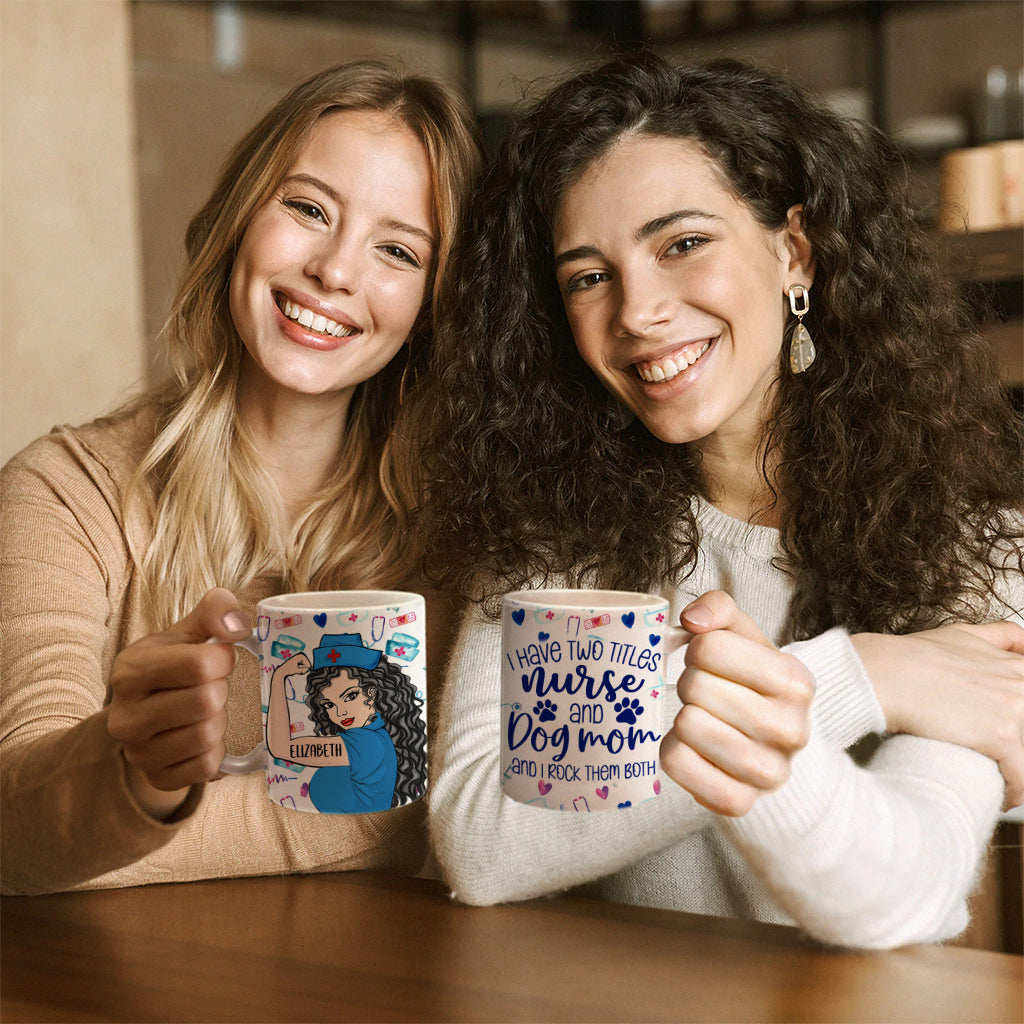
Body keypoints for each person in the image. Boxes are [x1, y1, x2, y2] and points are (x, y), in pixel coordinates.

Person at [417, 53, 1024, 949]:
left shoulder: (976, 545)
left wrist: (771, 698)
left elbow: (901, 891)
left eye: (682, 244)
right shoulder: (554, 539)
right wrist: (859, 677)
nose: (637, 311)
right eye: (588, 276)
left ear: (794, 253)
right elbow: (481, 844)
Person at [0, 59, 481, 894]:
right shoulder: (66, 491)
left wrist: (117, 831)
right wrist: (135, 775)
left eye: (398, 251)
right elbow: (16, 824)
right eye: (308, 208)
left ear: (433, 305)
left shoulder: (459, 533)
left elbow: (413, 805)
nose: (336, 270)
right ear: (238, 219)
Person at [266, 638, 427, 812]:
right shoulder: (377, 734)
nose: (340, 712)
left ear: (371, 694)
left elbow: (281, 748)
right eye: (329, 704)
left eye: (350, 696)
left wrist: (279, 676)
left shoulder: (363, 743)